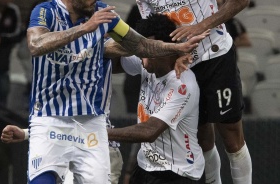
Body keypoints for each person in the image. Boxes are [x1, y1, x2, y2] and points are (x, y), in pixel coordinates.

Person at [25, 0, 203, 183]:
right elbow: (36, 45)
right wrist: (87, 29)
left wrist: (176, 49)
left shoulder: (103, 14)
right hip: (53, 123)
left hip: (98, 134)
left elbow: (141, 45)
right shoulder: (46, 11)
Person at [136, 0, 252, 183]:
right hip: (183, 61)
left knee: (232, 136)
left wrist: (201, 25)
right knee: (202, 140)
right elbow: (152, 27)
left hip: (216, 54)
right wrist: (172, 54)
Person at [108, 14, 208, 184]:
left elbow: (149, 131)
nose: (142, 55)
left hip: (177, 173)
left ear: (165, 49)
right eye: (142, 49)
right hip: (145, 167)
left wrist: (101, 134)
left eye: (148, 49)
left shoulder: (182, 84)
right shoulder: (148, 63)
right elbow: (111, 64)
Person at [0, 56, 123, 184]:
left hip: (95, 146)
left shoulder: (100, 44)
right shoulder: (58, 70)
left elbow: (136, 52)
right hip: (67, 142)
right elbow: (64, 121)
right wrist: (27, 133)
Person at [0, 0, 21, 107]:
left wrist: (2, 39)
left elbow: (17, 32)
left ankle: (2, 104)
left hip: (4, 50)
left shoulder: (12, 10)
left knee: (2, 74)